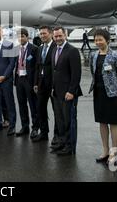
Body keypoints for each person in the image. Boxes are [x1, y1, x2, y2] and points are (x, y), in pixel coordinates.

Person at [89, 29, 117, 165]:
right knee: (102, 122)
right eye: (96, 40)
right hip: (98, 92)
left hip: (112, 94)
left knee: (113, 122)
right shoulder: (93, 55)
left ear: (107, 40)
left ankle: (114, 152)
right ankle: (105, 150)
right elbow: (93, 72)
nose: (98, 42)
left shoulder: (115, 55)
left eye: (100, 39)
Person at [50, 26, 82, 156]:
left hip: (68, 93)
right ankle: (62, 143)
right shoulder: (54, 50)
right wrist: (53, 88)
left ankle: (70, 147)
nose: (57, 38)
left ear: (65, 35)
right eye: (56, 36)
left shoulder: (72, 51)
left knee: (69, 121)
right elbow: (55, 71)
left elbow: (76, 74)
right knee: (60, 120)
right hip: (57, 92)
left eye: (60, 36)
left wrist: (71, 91)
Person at [33, 26, 58, 143]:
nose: (42, 36)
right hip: (41, 83)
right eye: (41, 34)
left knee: (56, 111)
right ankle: (44, 133)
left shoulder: (55, 47)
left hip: (53, 84)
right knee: (40, 108)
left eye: (44, 33)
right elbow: (37, 67)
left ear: (51, 33)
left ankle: (57, 135)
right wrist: (36, 83)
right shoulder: (39, 48)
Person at [14, 28, 38, 138]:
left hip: (29, 80)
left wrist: (35, 83)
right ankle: (25, 126)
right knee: (22, 104)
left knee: (32, 104)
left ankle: (35, 127)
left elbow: (36, 66)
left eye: (22, 36)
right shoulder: (16, 49)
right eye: (19, 36)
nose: (20, 38)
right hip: (19, 79)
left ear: (27, 37)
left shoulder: (33, 49)